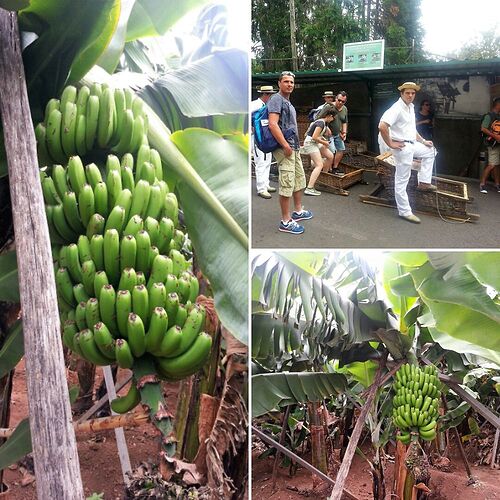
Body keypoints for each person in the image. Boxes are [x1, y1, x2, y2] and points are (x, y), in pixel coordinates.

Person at [378, 82, 438, 224]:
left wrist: (423, 141)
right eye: (407, 93)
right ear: (402, 93)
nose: (410, 95)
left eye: (413, 93)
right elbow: (382, 126)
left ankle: (424, 182)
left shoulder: (410, 107)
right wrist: (391, 144)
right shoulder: (397, 108)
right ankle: (404, 211)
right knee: (402, 179)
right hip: (402, 146)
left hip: (412, 143)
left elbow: (411, 129)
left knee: (431, 151)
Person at [267, 71, 313, 235]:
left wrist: (295, 145)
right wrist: (285, 145)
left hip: (293, 147)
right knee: (287, 182)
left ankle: (298, 211)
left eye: (292, 82)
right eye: (286, 81)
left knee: (299, 179)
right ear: (279, 83)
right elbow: (273, 124)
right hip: (284, 148)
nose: (289, 85)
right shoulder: (276, 99)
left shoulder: (288, 102)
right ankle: (285, 221)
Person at [251, 85, 278, 199]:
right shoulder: (254, 105)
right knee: (261, 162)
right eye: (271, 95)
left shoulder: (266, 106)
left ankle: (266, 184)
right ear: (266, 95)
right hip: (257, 138)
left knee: (267, 161)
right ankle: (261, 188)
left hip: (266, 137)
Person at [303, 106, 335, 196]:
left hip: (315, 142)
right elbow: (314, 137)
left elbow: (316, 135)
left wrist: (323, 140)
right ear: (329, 115)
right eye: (333, 117)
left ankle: (323, 177)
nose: (333, 119)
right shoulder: (321, 122)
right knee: (319, 164)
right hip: (310, 143)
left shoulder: (323, 123)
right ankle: (309, 188)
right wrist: (325, 142)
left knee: (330, 156)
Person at [479, 97, 500, 193]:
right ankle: (482, 184)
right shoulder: (489, 116)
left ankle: (497, 184)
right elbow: (483, 128)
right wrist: (495, 136)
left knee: (496, 164)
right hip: (492, 144)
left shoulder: (497, 116)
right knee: (492, 164)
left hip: (497, 144)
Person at [328, 91, 348, 174]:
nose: (340, 102)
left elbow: (344, 121)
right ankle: (328, 169)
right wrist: (326, 129)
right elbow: (321, 120)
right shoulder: (329, 107)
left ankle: (335, 167)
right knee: (331, 151)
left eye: (343, 101)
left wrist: (344, 132)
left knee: (341, 149)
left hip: (338, 133)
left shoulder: (344, 109)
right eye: (339, 100)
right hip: (328, 134)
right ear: (336, 98)